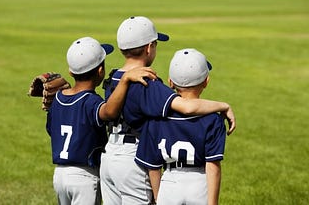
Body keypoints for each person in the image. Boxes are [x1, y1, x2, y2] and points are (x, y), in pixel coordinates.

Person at [100, 16, 236, 205]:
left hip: (109, 158)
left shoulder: (114, 78)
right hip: (133, 159)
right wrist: (223, 105)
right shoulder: (147, 83)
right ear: (149, 47)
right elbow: (187, 107)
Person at [46, 36, 157, 205]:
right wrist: (125, 80)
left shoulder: (58, 99)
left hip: (59, 176)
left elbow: (51, 130)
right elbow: (110, 112)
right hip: (84, 177)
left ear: (70, 72)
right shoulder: (92, 101)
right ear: (100, 71)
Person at [135, 48, 226, 205]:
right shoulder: (213, 119)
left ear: (170, 82)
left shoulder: (157, 117)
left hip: (170, 183)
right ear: (206, 81)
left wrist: (158, 196)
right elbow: (213, 167)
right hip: (199, 183)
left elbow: (154, 167)